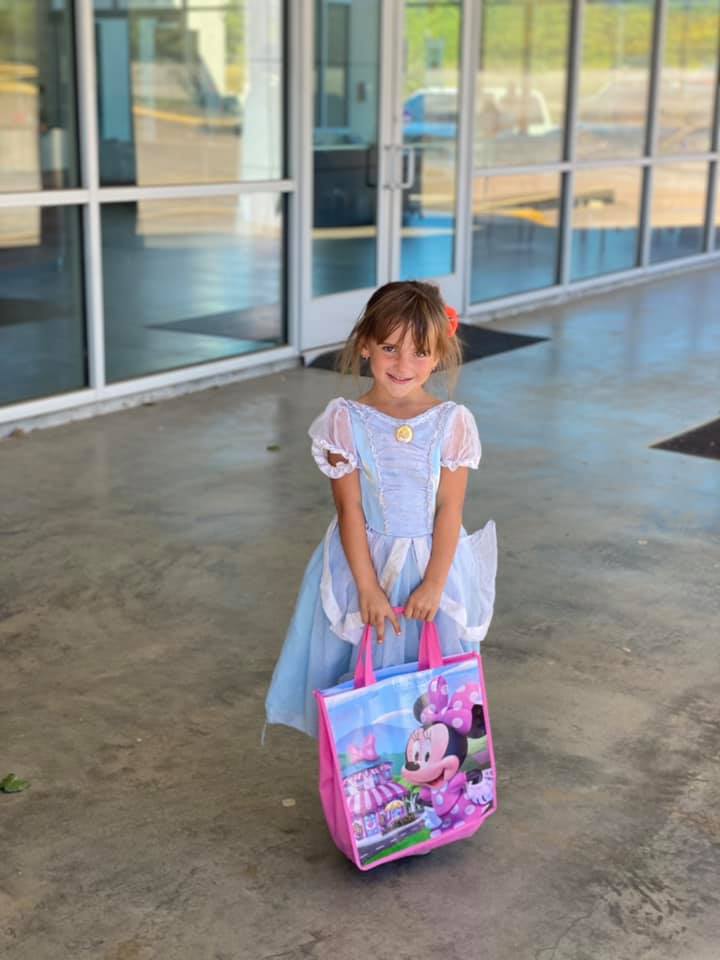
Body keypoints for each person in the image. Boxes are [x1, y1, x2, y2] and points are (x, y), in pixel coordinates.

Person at [265, 281, 497, 737]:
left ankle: (429, 768)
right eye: (390, 348)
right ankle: (368, 766)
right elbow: (349, 508)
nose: (403, 365)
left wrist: (435, 583)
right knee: (365, 678)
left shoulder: (452, 422)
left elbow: (449, 507)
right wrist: (368, 588)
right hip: (365, 563)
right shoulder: (344, 420)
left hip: (434, 564)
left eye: (420, 352)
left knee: (432, 683)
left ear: (438, 355)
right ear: (365, 344)